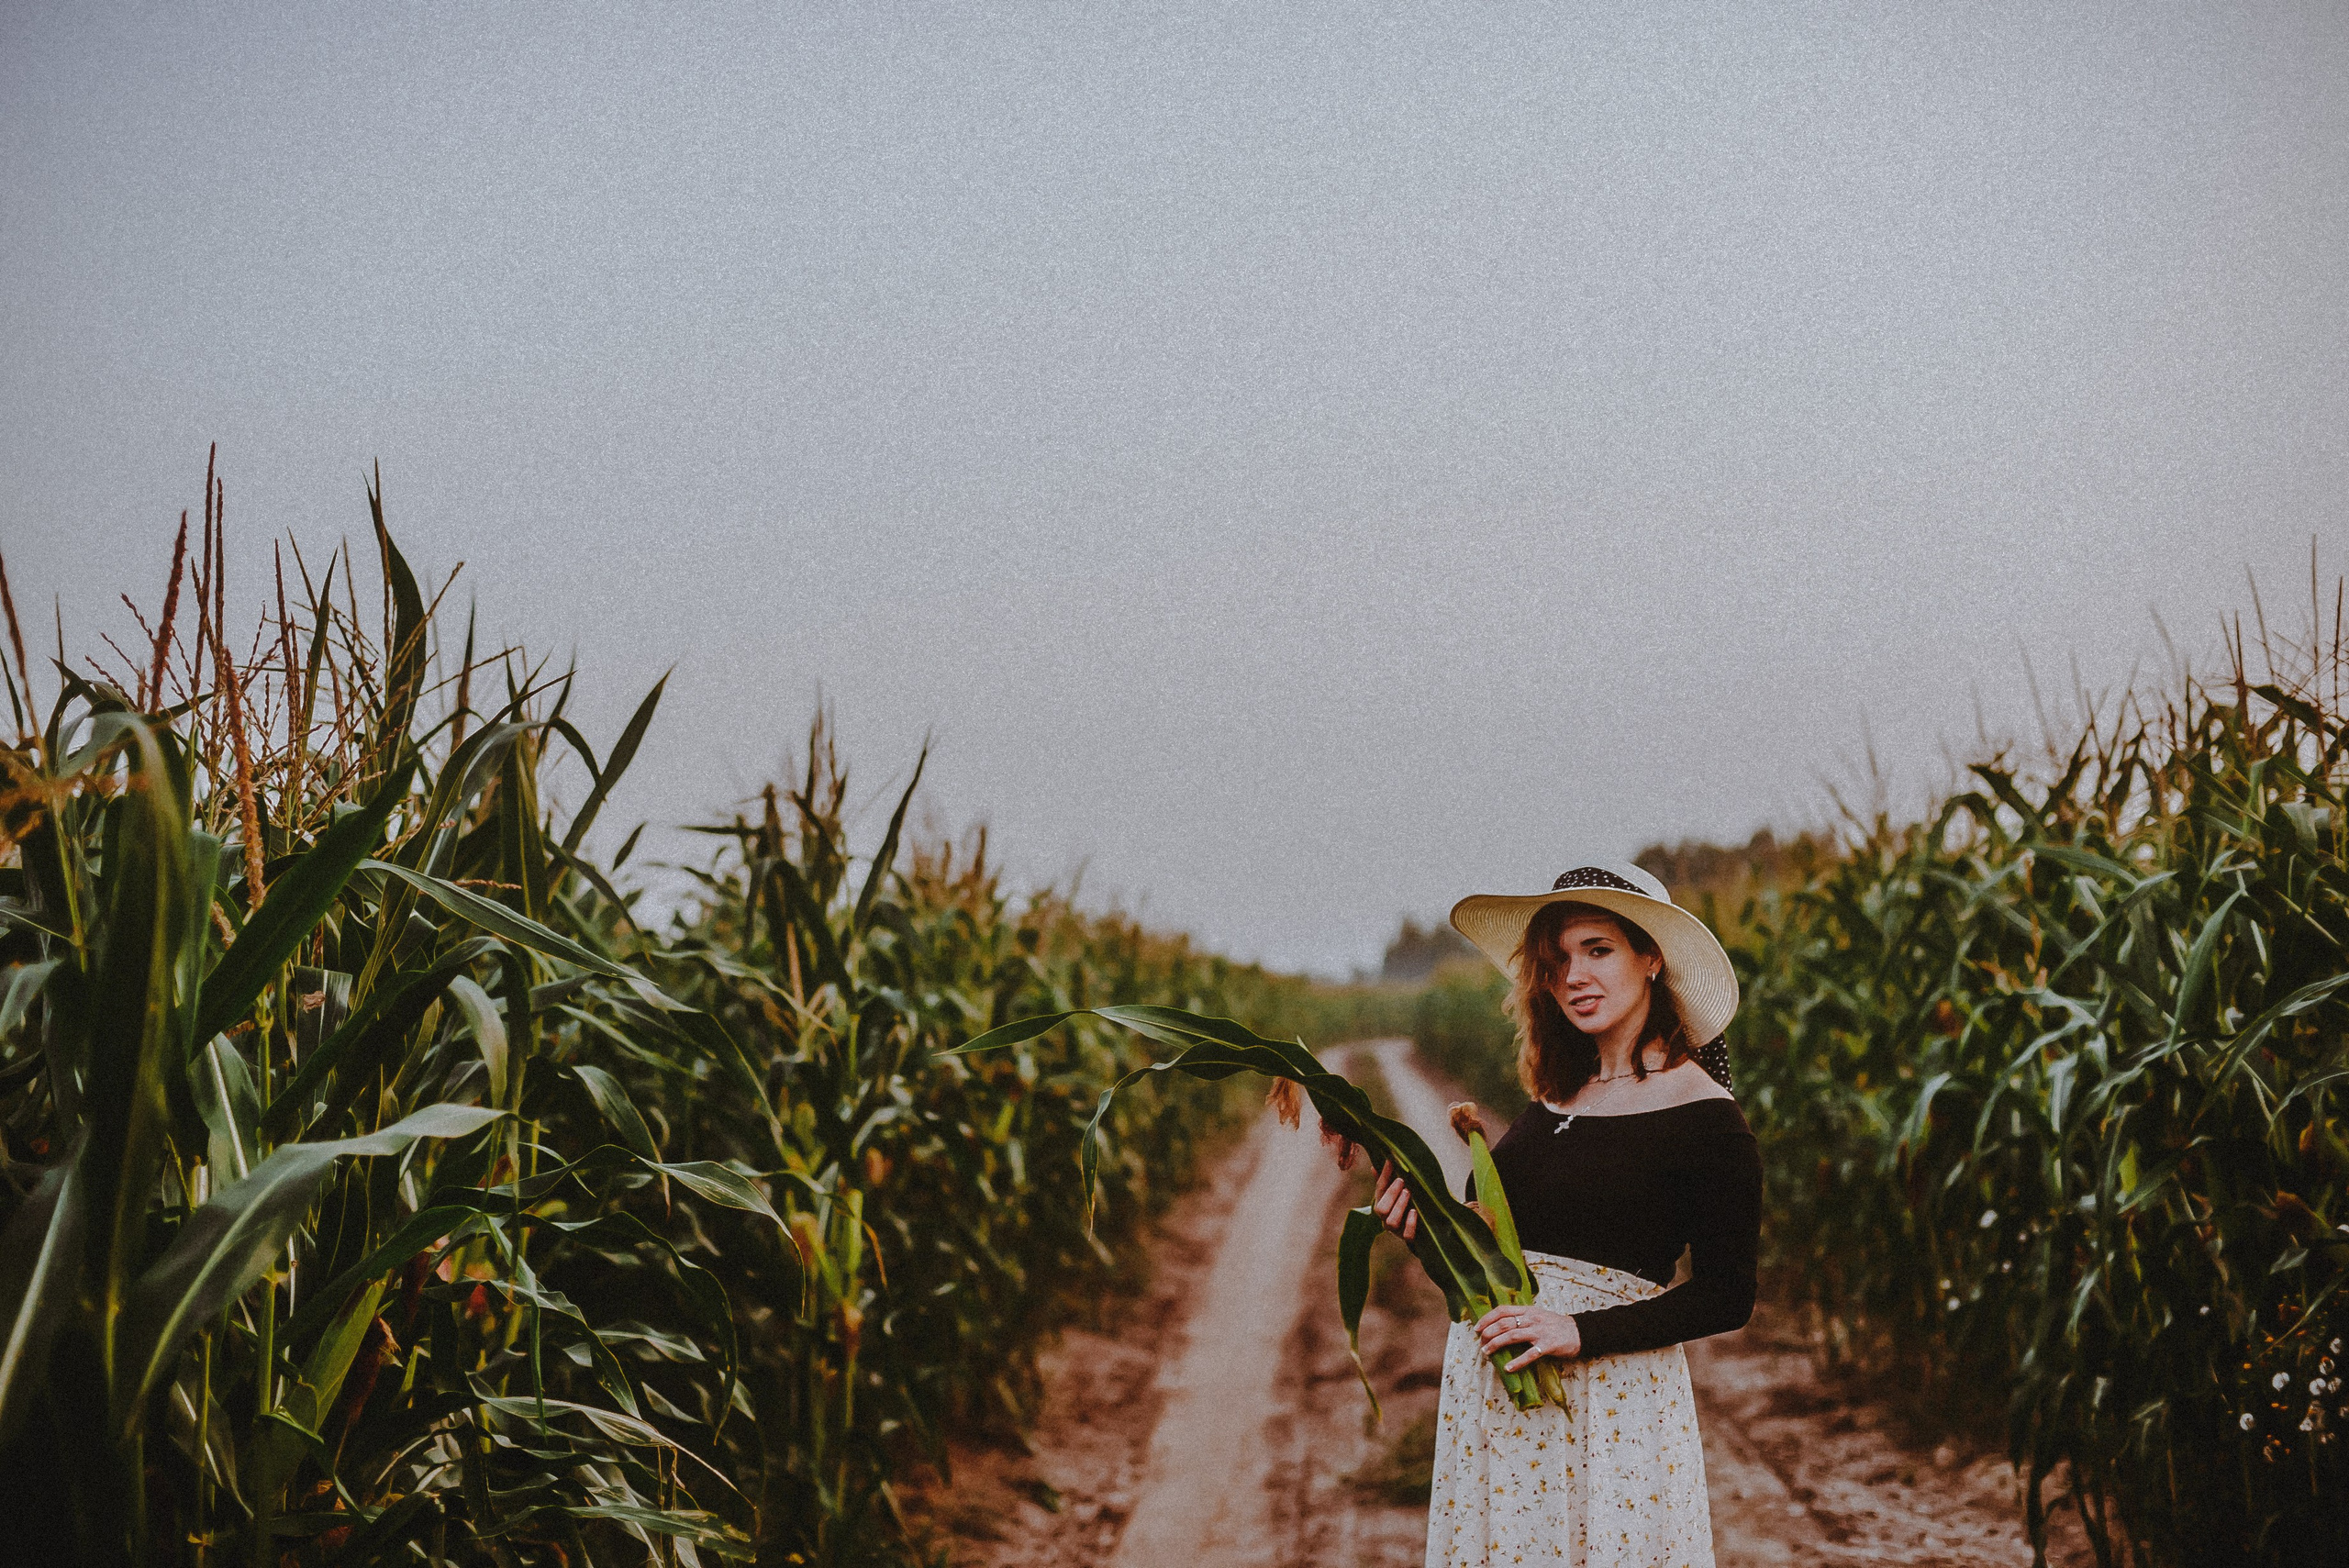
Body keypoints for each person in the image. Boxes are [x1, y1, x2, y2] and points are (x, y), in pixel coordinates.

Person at [1353, 862, 1761, 1568]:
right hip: (1502, 1413)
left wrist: (1578, 1330)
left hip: (1609, 1413)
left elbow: (1730, 1294)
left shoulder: (1706, 1117)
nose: (1574, 974)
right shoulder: (1556, 1100)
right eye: (1559, 958)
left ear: (1650, 957)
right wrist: (1427, 1230)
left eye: (1598, 949)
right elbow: (1507, 1257)